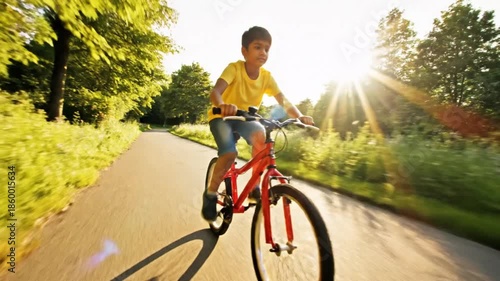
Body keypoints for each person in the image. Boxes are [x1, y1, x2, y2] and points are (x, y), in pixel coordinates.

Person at [202, 26, 314, 221]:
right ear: (244, 51)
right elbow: (215, 92)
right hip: (222, 117)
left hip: (246, 119)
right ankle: (211, 193)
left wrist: (299, 116)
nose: (263, 52)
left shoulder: (266, 77)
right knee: (229, 153)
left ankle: (254, 188)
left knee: (261, 137)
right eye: (257, 47)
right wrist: (223, 105)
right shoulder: (234, 68)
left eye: (267, 49)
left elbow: (283, 100)